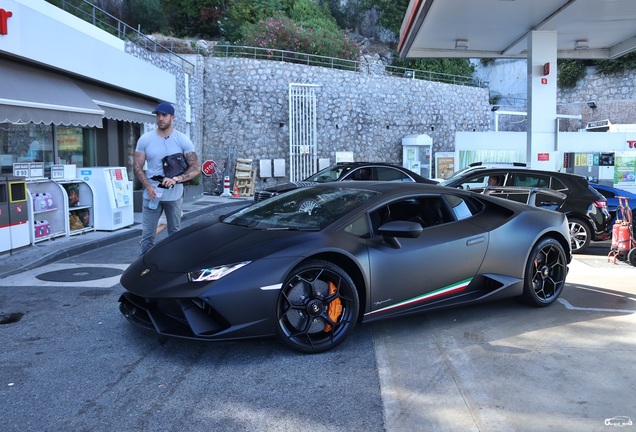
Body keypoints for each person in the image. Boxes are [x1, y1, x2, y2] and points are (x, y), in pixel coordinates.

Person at [134, 101, 200, 253]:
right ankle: (144, 270)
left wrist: (176, 179)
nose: (160, 118)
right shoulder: (145, 139)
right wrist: (148, 186)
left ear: (172, 117)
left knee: (174, 235)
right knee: (147, 236)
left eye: (164, 115)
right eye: (158, 115)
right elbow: (137, 166)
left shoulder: (182, 139)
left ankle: (173, 265)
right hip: (151, 196)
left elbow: (196, 167)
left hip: (174, 196)